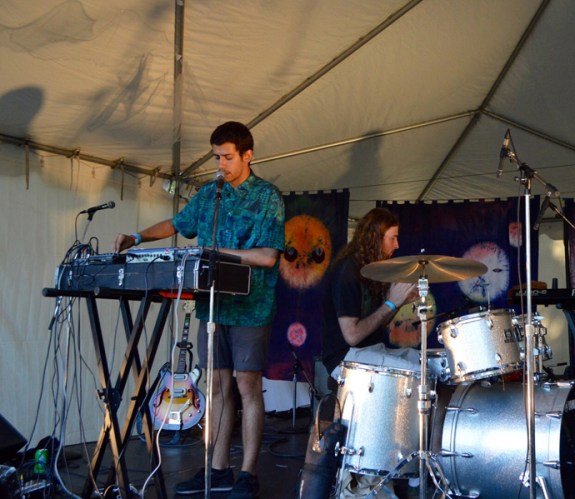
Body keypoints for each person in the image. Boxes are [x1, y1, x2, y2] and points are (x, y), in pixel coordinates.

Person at [113, 121, 285, 499]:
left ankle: (248, 473)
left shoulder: (267, 197)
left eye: (228, 157)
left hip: (251, 307)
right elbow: (178, 224)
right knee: (218, 387)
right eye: (216, 157)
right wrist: (137, 237)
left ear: (247, 155)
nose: (221, 164)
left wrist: (216, 253)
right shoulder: (210, 194)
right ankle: (218, 469)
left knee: (247, 386)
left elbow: (268, 257)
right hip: (212, 304)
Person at [320, 207, 419, 498]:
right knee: (411, 372)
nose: (397, 245)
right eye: (392, 238)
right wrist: (391, 303)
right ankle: (383, 473)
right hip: (345, 359)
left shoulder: (371, 271)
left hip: (369, 351)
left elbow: (374, 325)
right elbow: (352, 335)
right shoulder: (347, 273)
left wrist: (398, 303)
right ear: (375, 238)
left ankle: (413, 465)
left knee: (425, 365)